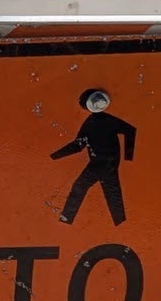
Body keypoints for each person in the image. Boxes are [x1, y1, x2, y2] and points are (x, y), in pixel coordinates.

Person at [51, 87, 137, 226]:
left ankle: (67, 218)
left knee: (99, 190)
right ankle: (120, 222)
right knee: (110, 192)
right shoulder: (109, 120)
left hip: (102, 164)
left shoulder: (90, 123)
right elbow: (130, 130)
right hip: (104, 163)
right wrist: (127, 156)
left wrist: (55, 156)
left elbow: (77, 146)